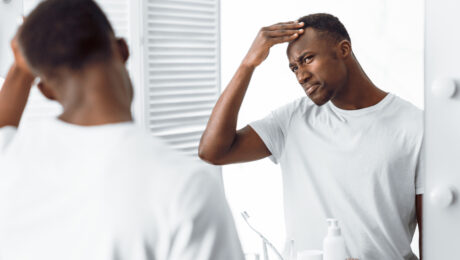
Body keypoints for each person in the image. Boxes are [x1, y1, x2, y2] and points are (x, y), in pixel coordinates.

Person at [0, 0, 244, 259]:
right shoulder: (187, 188)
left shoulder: (9, 159)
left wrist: (22, 68)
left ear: (45, 90)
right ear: (123, 49)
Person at [199, 13, 424, 260]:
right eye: (294, 68)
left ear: (344, 49)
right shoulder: (292, 120)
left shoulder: (415, 125)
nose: (300, 75)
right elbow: (213, 152)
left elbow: (436, 234)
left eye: (307, 59)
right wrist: (248, 64)